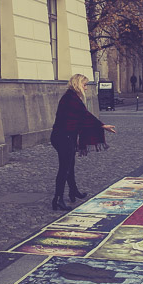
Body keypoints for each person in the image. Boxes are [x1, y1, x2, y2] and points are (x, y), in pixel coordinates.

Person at [50, 74, 116, 211]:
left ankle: (73, 191)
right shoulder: (71, 98)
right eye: (84, 85)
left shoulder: (72, 97)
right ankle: (58, 199)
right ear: (77, 84)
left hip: (65, 136)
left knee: (70, 165)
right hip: (63, 137)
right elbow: (85, 115)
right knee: (64, 168)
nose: (86, 88)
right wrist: (102, 126)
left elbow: (81, 116)